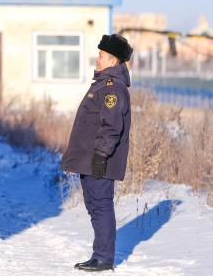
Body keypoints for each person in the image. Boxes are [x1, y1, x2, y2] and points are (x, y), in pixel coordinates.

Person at [61, 33, 134, 272]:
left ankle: (104, 258)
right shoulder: (103, 84)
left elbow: (112, 127)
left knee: (101, 206)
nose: (97, 59)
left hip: (98, 160)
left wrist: (101, 156)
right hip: (89, 159)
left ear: (113, 60)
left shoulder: (113, 88)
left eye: (101, 55)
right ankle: (99, 254)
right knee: (95, 206)